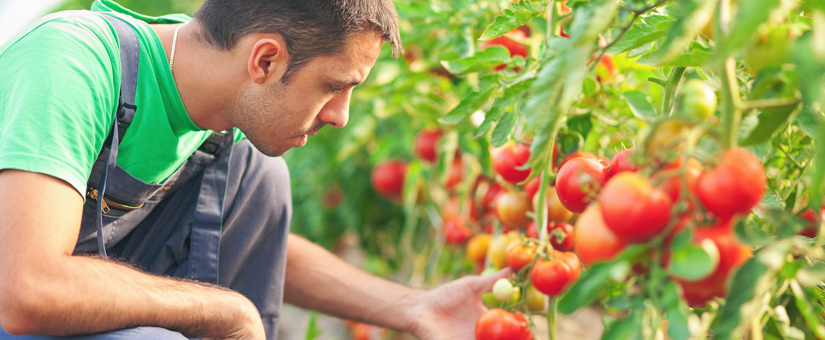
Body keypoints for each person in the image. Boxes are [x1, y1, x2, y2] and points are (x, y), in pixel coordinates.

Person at [0, 0, 510, 339]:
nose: (340, 115)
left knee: (255, 174)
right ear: (264, 61)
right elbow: (25, 288)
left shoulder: (214, 110)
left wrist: (412, 307)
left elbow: (263, 241)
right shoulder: (74, 63)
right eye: (334, 86)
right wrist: (227, 309)